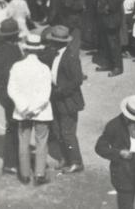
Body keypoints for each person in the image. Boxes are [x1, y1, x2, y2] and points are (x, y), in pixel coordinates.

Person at [7, 32, 53, 186]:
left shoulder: (17, 66)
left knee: (23, 141)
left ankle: (25, 175)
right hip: (41, 111)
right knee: (41, 141)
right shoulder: (45, 68)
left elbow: (12, 89)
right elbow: (45, 94)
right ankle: (39, 174)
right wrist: (34, 109)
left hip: (22, 112)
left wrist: (24, 108)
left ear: (25, 49)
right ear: (39, 50)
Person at [95, 95, 135, 209]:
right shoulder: (114, 125)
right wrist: (119, 153)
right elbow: (100, 147)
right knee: (125, 204)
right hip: (124, 171)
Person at [0, 17, 22, 175]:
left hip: (3, 92)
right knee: (14, 128)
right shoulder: (13, 51)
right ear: (15, 35)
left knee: (12, 125)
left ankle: (13, 160)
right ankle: (11, 162)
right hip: (13, 94)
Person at [48, 24, 85, 173]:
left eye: (53, 40)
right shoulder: (55, 53)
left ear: (59, 42)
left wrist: (61, 90)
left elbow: (77, 80)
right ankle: (65, 158)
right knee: (57, 130)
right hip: (56, 98)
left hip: (67, 100)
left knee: (67, 132)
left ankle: (76, 162)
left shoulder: (71, 57)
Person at [94, 0, 125, 76]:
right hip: (103, 17)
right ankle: (108, 63)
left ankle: (118, 67)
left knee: (113, 43)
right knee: (105, 42)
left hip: (112, 17)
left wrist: (109, 7)